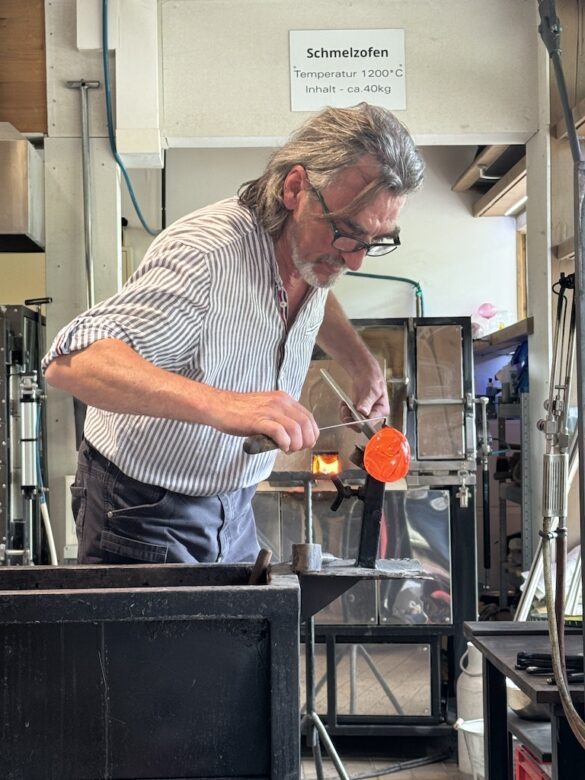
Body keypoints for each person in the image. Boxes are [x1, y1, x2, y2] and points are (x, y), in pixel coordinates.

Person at [43, 103, 424, 565]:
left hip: (234, 504)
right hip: (140, 506)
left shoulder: (314, 253)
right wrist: (227, 405)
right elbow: (74, 360)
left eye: (372, 242)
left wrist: (361, 366)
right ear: (295, 187)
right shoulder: (206, 256)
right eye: (347, 232)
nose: (356, 260)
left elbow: (318, 286)